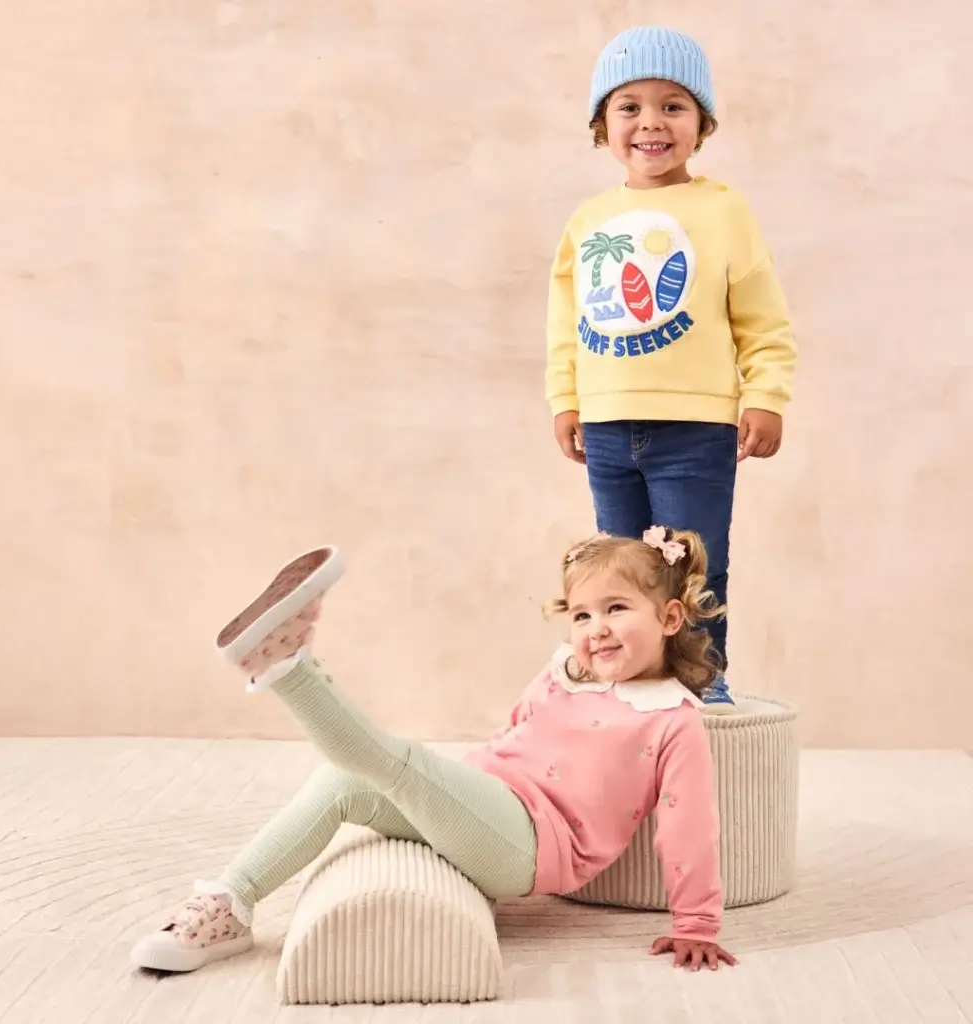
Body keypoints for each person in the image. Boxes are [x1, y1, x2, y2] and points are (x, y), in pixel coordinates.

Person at [130, 534, 738, 975]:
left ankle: (288, 666)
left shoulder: (672, 719)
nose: (595, 628)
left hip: (529, 847)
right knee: (344, 780)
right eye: (582, 613)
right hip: (488, 805)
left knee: (398, 761)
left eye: (617, 609)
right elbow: (515, 735)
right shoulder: (564, 672)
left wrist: (697, 923)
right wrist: (458, 788)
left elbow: (690, 828)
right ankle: (230, 903)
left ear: (669, 617)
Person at [546, 27, 798, 710]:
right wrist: (564, 400)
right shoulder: (588, 220)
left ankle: (701, 694)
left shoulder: (722, 211)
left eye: (673, 106)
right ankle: (631, 693)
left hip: (695, 429)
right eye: (629, 107)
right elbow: (567, 323)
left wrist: (766, 395)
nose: (651, 122)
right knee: (618, 576)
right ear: (602, 125)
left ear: (701, 124)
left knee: (692, 571)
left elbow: (761, 318)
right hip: (604, 427)